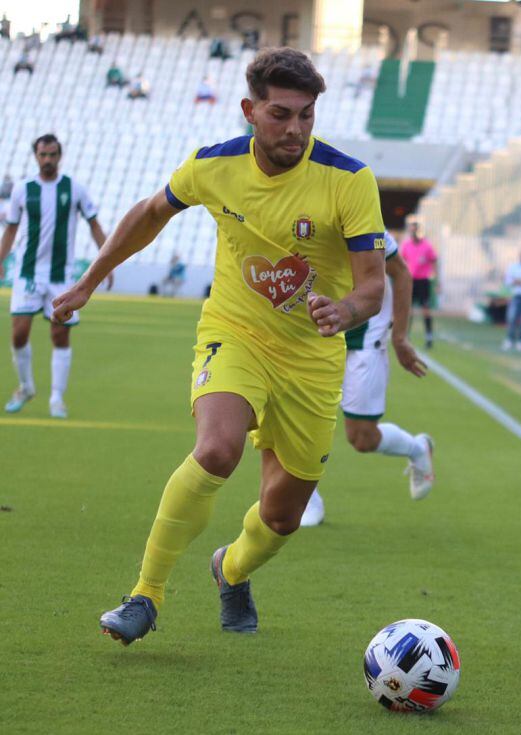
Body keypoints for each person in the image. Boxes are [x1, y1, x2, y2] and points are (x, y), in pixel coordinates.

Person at [50, 47, 387, 645]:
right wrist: (88, 281)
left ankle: (228, 570)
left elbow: (372, 284)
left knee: (281, 516)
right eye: (281, 114)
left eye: (307, 115)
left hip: (311, 361)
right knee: (217, 449)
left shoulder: (348, 178)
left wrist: (347, 309)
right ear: (249, 110)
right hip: (235, 334)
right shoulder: (213, 165)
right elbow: (151, 213)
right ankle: (144, 595)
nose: (296, 129)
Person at [300, 231, 434, 527]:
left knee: (362, 438)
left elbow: (401, 274)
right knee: (292, 418)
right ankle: (308, 501)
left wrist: (400, 337)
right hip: (312, 339)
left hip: (363, 341)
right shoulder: (301, 212)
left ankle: (416, 448)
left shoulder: (366, 222)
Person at [1, 134, 111, 418]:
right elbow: (11, 229)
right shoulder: (23, 190)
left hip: (61, 277)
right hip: (27, 274)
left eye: (52, 155)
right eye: (43, 155)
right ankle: (26, 387)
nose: (47, 160)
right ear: (35, 156)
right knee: (19, 333)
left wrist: (108, 262)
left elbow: (94, 225)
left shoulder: (74, 189)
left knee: (59, 335)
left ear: (59, 156)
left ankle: (56, 398)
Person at [400, 219, 438, 349]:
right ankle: (406, 336)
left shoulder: (427, 246)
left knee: (426, 310)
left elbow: (434, 261)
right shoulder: (406, 245)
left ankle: (429, 336)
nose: (413, 232)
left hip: (423, 281)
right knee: (408, 309)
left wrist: (436, 279)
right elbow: (401, 262)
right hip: (410, 281)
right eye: (411, 230)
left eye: (415, 230)